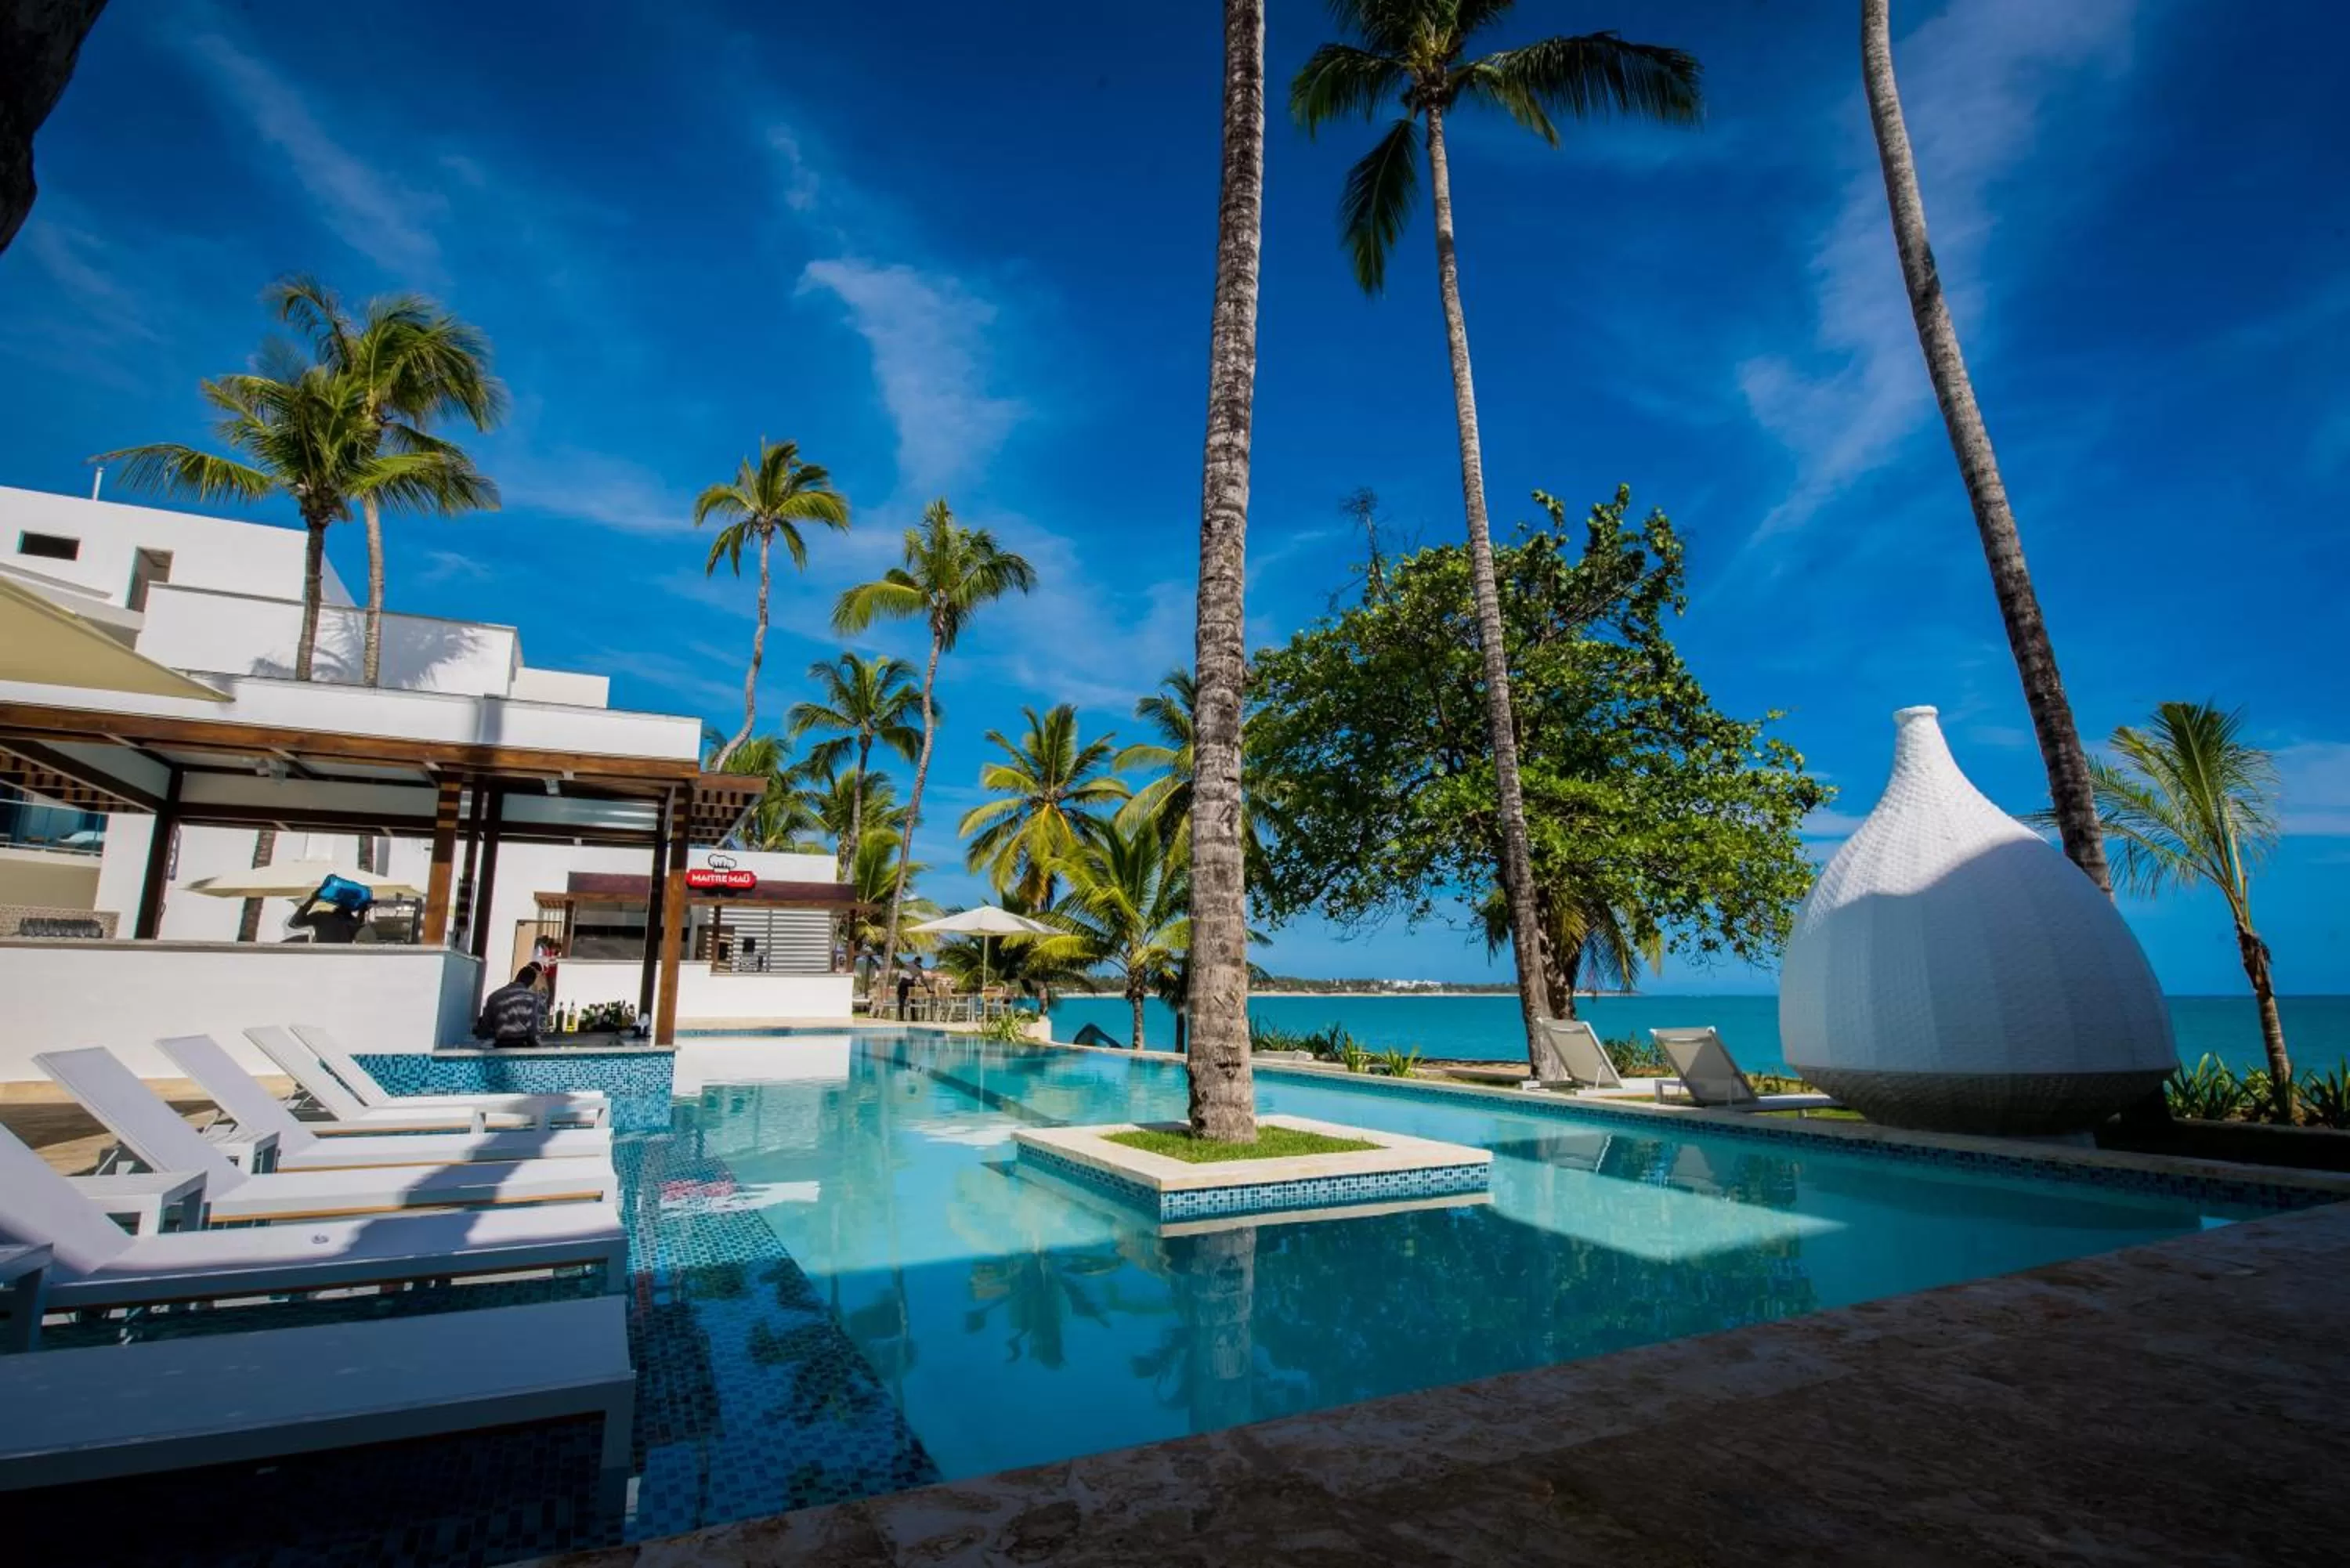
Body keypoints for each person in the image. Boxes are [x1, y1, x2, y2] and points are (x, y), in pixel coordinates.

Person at [476, 963, 548, 1047]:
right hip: (522, 1045)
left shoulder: (494, 996)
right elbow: (533, 1030)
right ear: (531, 982)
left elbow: (484, 1031)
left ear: (517, 977)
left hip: (500, 1045)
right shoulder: (532, 998)